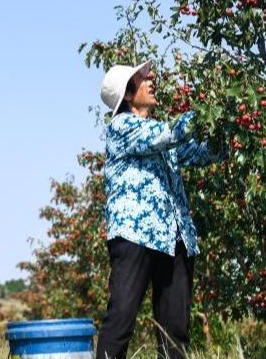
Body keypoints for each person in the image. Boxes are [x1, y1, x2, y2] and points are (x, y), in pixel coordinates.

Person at [95, 62, 226, 359]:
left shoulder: (161, 135)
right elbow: (169, 133)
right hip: (134, 236)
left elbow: (200, 152)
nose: (151, 78)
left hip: (175, 237)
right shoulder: (122, 127)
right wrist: (209, 109)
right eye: (142, 77)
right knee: (121, 319)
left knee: (175, 329)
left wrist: (231, 127)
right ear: (128, 94)